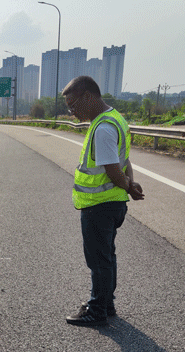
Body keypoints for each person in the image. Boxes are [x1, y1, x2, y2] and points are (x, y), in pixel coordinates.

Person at [61, 76, 144, 326]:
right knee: (107, 257)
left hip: (100, 205)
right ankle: (106, 304)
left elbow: (111, 168)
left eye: (73, 104)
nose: (72, 111)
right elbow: (124, 159)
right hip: (112, 203)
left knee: (99, 261)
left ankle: (97, 309)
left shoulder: (104, 128)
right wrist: (131, 183)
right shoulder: (114, 119)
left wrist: (128, 185)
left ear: (88, 96)